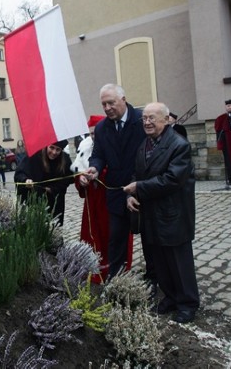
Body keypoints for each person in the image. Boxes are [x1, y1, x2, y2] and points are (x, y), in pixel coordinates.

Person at [123, 102, 200, 324]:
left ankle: (187, 303)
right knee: (159, 261)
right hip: (151, 214)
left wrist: (139, 188)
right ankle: (171, 297)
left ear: (166, 120)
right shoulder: (145, 144)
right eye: (144, 118)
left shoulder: (179, 145)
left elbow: (172, 180)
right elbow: (136, 174)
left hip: (173, 214)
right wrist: (130, 196)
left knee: (179, 261)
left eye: (152, 118)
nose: (147, 122)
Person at [80, 83, 155, 281]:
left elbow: (152, 158)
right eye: (103, 104)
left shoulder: (142, 121)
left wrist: (136, 184)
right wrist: (94, 168)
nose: (107, 108)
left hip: (142, 190)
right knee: (116, 241)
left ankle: (154, 279)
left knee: (150, 241)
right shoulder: (103, 127)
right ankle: (115, 281)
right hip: (115, 193)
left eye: (111, 103)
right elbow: (98, 155)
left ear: (123, 99)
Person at [73, 115, 133, 283]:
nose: (94, 136)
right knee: (93, 235)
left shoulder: (114, 143)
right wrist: (82, 180)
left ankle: (117, 271)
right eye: (91, 133)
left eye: (96, 132)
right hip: (92, 202)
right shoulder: (85, 149)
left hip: (112, 199)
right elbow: (78, 174)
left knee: (114, 234)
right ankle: (93, 269)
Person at [15, 140, 72, 226]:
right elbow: (19, 173)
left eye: (58, 150)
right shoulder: (34, 156)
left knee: (54, 229)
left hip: (55, 203)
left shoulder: (65, 160)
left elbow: (68, 179)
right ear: (47, 146)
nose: (54, 152)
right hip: (35, 201)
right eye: (52, 148)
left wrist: (52, 189)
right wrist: (25, 180)